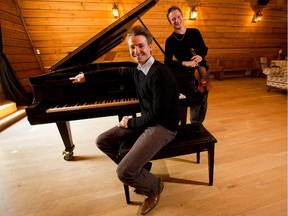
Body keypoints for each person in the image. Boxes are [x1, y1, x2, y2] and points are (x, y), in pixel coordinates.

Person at [71, 25, 179, 215]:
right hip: (147, 121)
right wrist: (86, 76)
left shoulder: (160, 73)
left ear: (151, 46)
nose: (136, 51)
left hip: (163, 126)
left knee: (123, 173)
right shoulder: (139, 70)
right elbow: (117, 71)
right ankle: (140, 168)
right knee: (102, 141)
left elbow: (158, 113)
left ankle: (153, 186)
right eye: (132, 47)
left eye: (141, 46)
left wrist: (130, 122)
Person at [165, 6, 209, 132]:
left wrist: (200, 56)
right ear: (170, 22)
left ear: (182, 17)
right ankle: (190, 126)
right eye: (173, 19)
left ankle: (198, 124)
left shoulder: (195, 32)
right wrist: (185, 63)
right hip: (186, 75)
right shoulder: (170, 41)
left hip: (203, 71)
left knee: (203, 101)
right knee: (192, 101)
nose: (177, 20)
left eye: (178, 17)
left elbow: (204, 49)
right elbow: (167, 62)